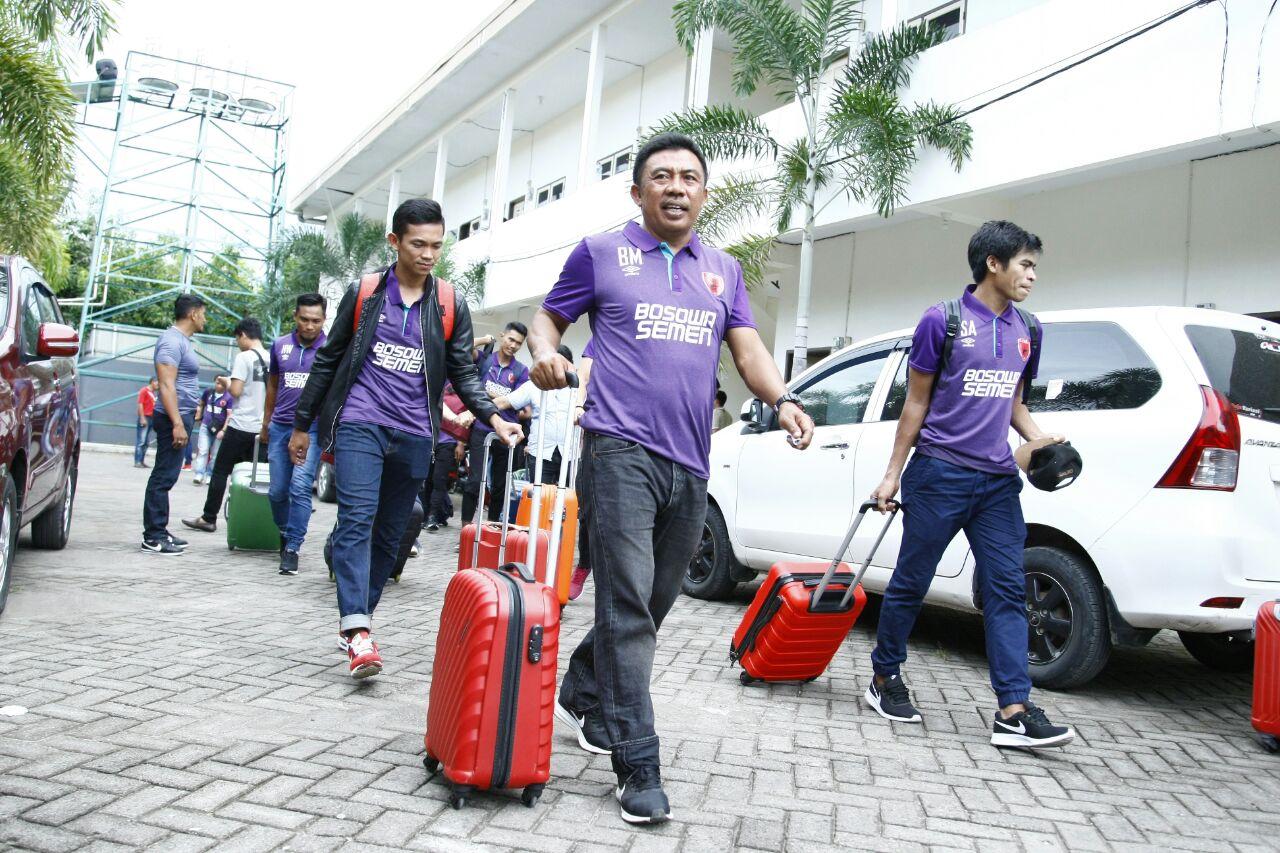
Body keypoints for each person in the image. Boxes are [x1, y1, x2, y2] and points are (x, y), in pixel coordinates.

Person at [527, 133, 814, 825]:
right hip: (617, 449)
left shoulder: (722, 271)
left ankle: (585, 685)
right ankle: (638, 765)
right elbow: (548, 318)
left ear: (704, 194)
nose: (677, 186)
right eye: (662, 176)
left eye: (689, 177)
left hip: (690, 459)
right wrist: (544, 352)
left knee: (655, 600)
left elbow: (748, 349)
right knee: (627, 605)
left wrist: (783, 399)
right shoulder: (601, 253)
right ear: (638, 192)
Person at [289, 198, 522, 680]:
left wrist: (492, 418)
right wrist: (301, 424)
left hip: (416, 431)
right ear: (394, 242)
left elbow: (462, 370)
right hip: (361, 421)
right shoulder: (367, 292)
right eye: (418, 244)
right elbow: (329, 359)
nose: (429, 254)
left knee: (392, 533)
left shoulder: (450, 302)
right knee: (357, 517)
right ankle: (357, 632)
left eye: (437, 245)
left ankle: (360, 618)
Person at [866, 220, 1074, 750]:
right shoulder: (944, 321)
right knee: (912, 581)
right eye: (1025, 264)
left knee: (1007, 588)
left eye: (1033, 266)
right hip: (938, 474)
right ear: (993, 264)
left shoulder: (1029, 328)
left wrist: (1040, 439)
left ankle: (1013, 709)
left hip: (997, 482)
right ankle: (885, 676)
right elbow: (915, 403)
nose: (1032, 275)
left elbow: (1014, 404)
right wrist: (893, 473)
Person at [258, 294, 328, 575]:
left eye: (316, 321)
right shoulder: (280, 346)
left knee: (300, 487)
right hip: (280, 427)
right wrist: (266, 421)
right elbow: (273, 385)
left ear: (324, 320)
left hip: (311, 429)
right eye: (304, 319)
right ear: (295, 317)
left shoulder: (331, 349)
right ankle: (287, 532)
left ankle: (292, 548)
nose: (310, 326)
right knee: (276, 492)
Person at [182, 318, 270, 533]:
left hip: (240, 426)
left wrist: (225, 381)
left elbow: (237, 391)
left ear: (243, 335)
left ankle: (208, 517)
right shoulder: (272, 358)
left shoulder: (244, 357)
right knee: (256, 478)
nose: (238, 342)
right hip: (263, 429)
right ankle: (254, 522)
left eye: (237, 338)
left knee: (221, 471)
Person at [141, 295, 206, 554]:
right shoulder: (170, 341)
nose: (205, 319)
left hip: (182, 414)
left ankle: (160, 530)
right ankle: (153, 536)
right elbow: (166, 385)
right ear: (193, 314)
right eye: (203, 313)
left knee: (168, 474)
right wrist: (177, 422)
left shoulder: (181, 341)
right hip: (173, 417)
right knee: (163, 476)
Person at [462, 322, 531, 522]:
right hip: (481, 429)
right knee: (474, 482)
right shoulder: (484, 360)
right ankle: (466, 529)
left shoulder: (521, 371)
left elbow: (518, 403)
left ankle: (490, 529)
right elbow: (463, 347)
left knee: (500, 486)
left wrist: (486, 393)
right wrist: (484, 340)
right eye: (510, 339)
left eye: (518, 343)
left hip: (506, 434)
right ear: (502, 336)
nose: (513, 345)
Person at [495, 345, 576, 485]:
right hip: (540, 454)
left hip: (571, 456)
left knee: (569, 502)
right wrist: (474, 410)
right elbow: (504, 402)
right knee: (539, 501)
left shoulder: (578, 390)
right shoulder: (534, 385)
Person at [423, 382, 472, 532]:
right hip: (431, 439)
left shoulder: (465, 388)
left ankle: (433, 516)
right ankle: (428, 514)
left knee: (439, 480)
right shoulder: (441, 383)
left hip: (449, 442)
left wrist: (460, 444)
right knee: (427, 479)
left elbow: (466, 422)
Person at [568, 341, 595, 601]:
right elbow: (583, 376)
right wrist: (579, 405)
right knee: (586, 508)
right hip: (598, 434)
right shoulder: (602, 338)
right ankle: (584, 565)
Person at [192, 376, 232, 485]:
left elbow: (229, 415)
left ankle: (210, 474)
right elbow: (201, 403)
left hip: (219, 429)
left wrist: (223, 430)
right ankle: (199, 474)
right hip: (206, 426)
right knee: (203, 450)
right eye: (216, 383)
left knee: (215, 454)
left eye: (221, 383)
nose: (218, 385)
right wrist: (199, 415)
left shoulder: (229, 397)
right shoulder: (208, 392)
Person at [133, 377, 159, 468]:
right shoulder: (144, 391)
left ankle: (141, 460)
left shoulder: (152, 393)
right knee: (141, 440)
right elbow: (140, 404)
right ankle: (137, 461)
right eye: (157, 383)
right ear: (152, 382)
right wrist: (142, 417)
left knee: (146, 442)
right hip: (146, 417)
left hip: (151, 418)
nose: (158, 385)